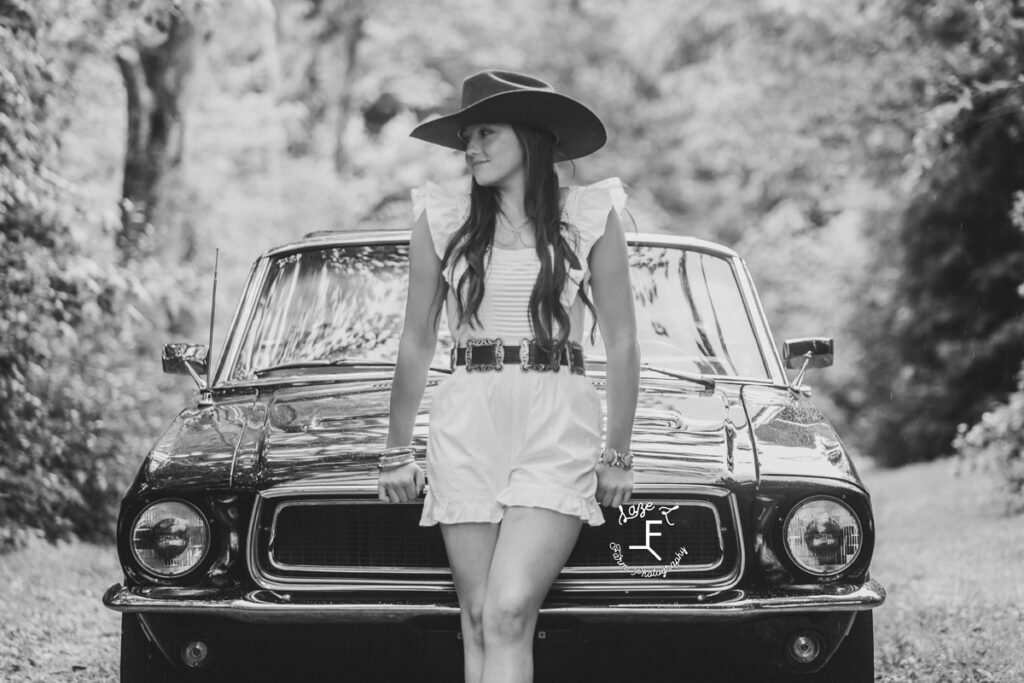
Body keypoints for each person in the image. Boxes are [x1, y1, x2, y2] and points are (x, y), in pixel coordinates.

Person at [378, 69, 641, 683]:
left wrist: (619, 453)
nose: (471, 148)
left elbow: (625, 340)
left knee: (510, 608)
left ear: (531, 136)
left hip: (558, 414)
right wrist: (396, 447)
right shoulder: (442, 219)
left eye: (486, 133)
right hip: (467, 414)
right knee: (476, 616)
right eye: (466, 135)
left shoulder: (590, 215)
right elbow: (416, 339)